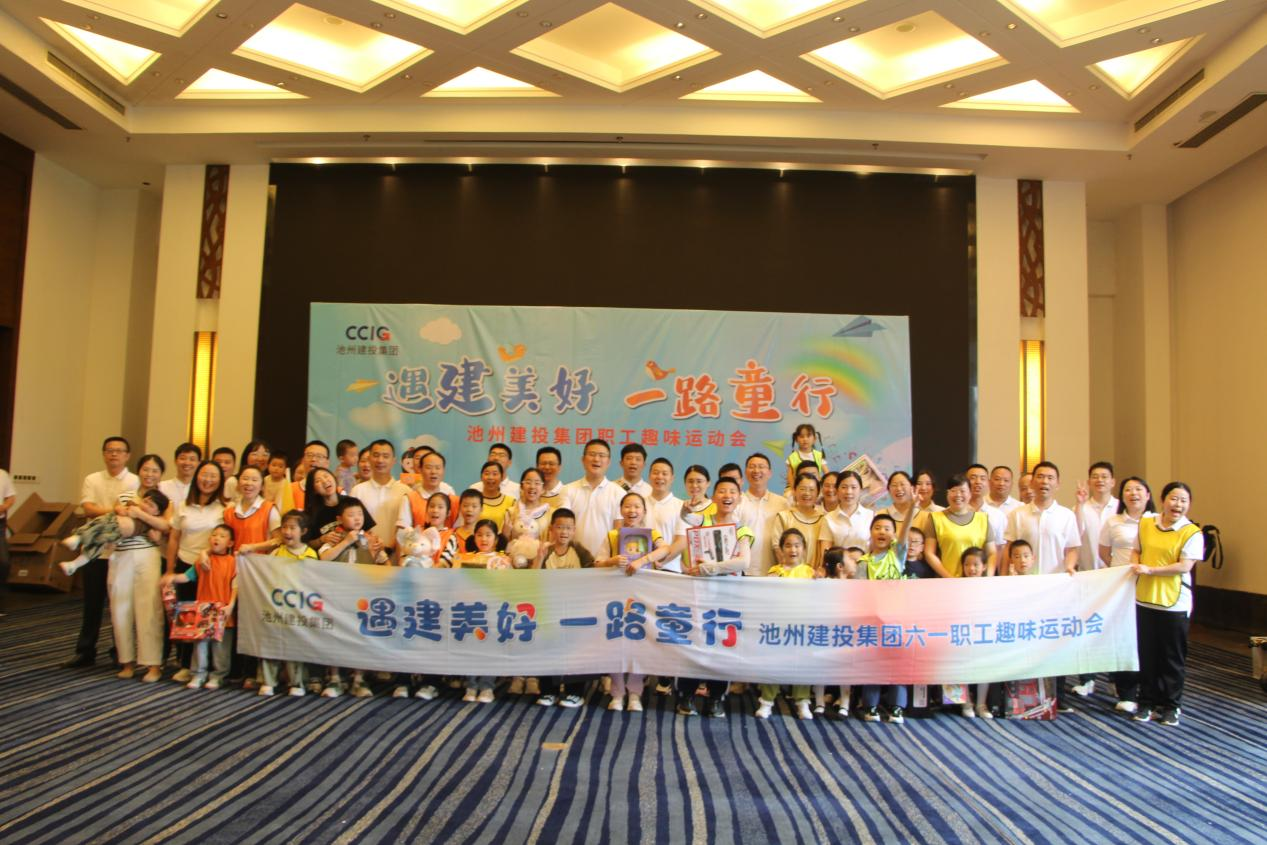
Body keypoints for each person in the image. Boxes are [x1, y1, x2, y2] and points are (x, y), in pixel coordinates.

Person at [675, 477, 753, 717]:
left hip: (728, 596)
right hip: (700, 594)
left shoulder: (743, 529)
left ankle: (716, 697)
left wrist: (709, 567)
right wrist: (685, 507)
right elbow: (686, 516)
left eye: (732, 491)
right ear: (714, 496)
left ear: (739, 498)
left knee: (723, 645)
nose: (727, 495)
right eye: (722, 491)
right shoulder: (704, 520)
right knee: (694, 641)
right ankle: (686, 695)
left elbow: (743, 562)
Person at [1129, 482, 1204, 727]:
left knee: (1172, 657)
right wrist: (1136, 564)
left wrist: (1150, 570)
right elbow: (1136, 550)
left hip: (1174, 603)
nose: (1178, 505)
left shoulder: (1192, 532)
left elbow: (1184, 566)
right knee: (1147, 655)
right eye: (1174, 498)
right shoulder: (1146, 523)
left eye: (1184, 501)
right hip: (1145, 598)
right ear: (1163, 500)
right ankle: (1146, 702)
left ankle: (1171, 706)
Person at [63, 436, 139, 669]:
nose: (114, 454)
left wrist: (107, 512)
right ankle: (85, 652)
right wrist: (114, 511)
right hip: (95, 552)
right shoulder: (92, 479)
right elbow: (88, 509)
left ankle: (120, 652)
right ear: (104, 454)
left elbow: (128, 512)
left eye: (119, 451)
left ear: (127, 455)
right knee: (92, 604)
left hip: (121, 551)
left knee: (121, 605)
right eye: (109, 450)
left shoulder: (134, 481)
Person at [597, 492, 668, 711]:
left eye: (637, 507)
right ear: (621, 510)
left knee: (640, 642)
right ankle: (617, 693)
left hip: (642, 595)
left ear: (644, 511)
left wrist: (643, 560)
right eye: (628, 506)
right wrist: (611, 561)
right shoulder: (612, 535)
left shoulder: (651, 534)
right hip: (616, 596)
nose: (632, 511)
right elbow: (597, 562)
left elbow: (665, 549)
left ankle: (635, 693)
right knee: (615, 642)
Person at [1098, 476, 1155, 714]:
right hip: (1122, 588)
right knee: (1124, 639)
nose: (1133, 494)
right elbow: (1104, 552)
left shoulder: (1156, 521)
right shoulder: (1114, 521)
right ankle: (1127, 692)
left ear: (1148, 495)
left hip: (1150, 586)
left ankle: (1149, 692)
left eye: (1138, 489)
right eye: (1128, 490)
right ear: (1122, 496)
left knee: (1148, 640)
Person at [163, 524, 237, 690]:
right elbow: (187, 577)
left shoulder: (233, 562)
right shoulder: (202, 561)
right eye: (214, 535)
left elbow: (235, 586)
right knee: (200, 645)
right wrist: (172, 577)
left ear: (230, 543)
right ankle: (198, 673)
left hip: (222, 611)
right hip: (204, 611)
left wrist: (231, 605)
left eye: (222, 536)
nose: (217, 538)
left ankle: (218, 675)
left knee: (221, 647)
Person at [532, 508, 593, 709]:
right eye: (559, 527)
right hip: (550, 609)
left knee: (575, 650)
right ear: (551, 529)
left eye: (568, 528)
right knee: (547, 648)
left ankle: (575, 692)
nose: (564, 532)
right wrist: (539, 557)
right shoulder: (545, 550)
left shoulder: (580, 550)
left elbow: (594, 573)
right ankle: (548, 690)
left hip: (575, 609)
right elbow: (531, 578)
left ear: (574, 530)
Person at [856, 514, 911, 724]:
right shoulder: (863, 563)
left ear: (894, 535)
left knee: (898, 662)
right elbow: (859, 592)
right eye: (877, 527)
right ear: (870, 532)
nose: (882, 532)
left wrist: (912, 507)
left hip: (897, 618)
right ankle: (870, 704)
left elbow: (905, 534)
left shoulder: (897, 555)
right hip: (873, 619)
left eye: (887, 529)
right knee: (873, 662)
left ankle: (897, 706)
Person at [756, 528, 816, 720]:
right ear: (781, 549)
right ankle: (766, 702)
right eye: (788, 545)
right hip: (778, 625)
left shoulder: (810, 572)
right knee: (773, 662)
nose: (793, 550)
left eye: (797, 545)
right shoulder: (774, 571)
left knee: (802, 663)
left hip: (802, 625)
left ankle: (802, 702)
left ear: (804, 548)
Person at [259, 510, 318, 697]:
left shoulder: (310, 554)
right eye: (284, 527)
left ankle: (297, 681)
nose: (287, 532)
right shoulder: (277, 552)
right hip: (277, 606)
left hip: (298, 608)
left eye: (292, 528)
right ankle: (269, 680)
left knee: (295, 644)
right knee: (271, 643)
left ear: (303, 531)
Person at [456, 520, 512, 703]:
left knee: (491, 648)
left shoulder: (503, 560)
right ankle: (471, 685)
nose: (484, 539)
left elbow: (508, 585)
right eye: (479, 535)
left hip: (493, 611)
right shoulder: (464, 558)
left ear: (496, 539)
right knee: (470, 647)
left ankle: (487, 686)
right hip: (470, 610)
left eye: (488, 535)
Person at [924, 474, 995, 578]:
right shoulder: (935, 518)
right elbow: (929, 553)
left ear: (970, 494)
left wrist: (987, 577)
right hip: (947, 581)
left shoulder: (982, 519)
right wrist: (949, 578)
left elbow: (992, 553)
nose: (958, 495)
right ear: (947, 494)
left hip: (976, 581)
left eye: (962, 491)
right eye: (953, 491)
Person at [564, 439, 624, 562]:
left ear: (608, 462)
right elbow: (563, 526)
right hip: (573, 561)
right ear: (583, 459)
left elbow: (618, 531)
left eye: (602, 455)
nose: (596, 459)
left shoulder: (619, 493)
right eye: (592, 454)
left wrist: (610, 560)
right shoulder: (568, 490)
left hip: (606, 563)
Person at [350, 439, 410, 555]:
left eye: (385, 456)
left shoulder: (405, 491)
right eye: (376, 455)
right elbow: (351, 527)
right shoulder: (357, 491)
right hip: (365, 556)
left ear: (393, 461)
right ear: (369, 459)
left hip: (396, 557)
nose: (380, 460)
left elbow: (407, 529)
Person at [736, 453, 787, 577]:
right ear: (746, 472)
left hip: (775, 572)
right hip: (742, 572)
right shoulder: (737, 502)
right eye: (752, 466)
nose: (756, 471)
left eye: (761, 467)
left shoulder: (782, 503)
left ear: (769, 473)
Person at [302, 467, 376, 548]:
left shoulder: (352, 503)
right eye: (318, 481)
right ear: (313, 489)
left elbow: (368, 531)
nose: (325, 481)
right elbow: (307, 544)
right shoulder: (312, 513)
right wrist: (322, 539)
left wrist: (373, 541)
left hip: (357, 552)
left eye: (326, 476)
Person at [771, 472, 828, 570]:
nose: (807, 493)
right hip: (790, 575)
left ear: (818, 493)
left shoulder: (824, 519)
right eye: (802, 489)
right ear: (794, 491)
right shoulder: (783, 517)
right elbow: (777, 547)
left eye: (811, 490)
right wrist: (792, 572)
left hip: (816, 576)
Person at [646, 458, 687, 573]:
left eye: (664, 474)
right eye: (655, 473)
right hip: (641, 568)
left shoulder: (681, 506)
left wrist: (662, 560)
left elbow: (681, 541)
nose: (659, 477)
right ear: (649, 476)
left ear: (672, 478)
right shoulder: (639, 504)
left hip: (669, 568)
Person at [822, 470, 873, 561]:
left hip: (865, 567)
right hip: (839, 568)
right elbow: (825, 554)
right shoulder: (828, 519)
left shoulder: (870, 516)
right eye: (844, 487)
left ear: (860, 490)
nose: (849, 492)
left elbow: (876, 550)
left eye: (853, 487)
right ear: (837, 490)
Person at [319, 501, 388, 565]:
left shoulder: (368, 538)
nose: (357, 518)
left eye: (360, 514)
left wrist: (379, 549)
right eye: (351, 515)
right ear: (340, 519)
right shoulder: (335, 536)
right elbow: (324, 558)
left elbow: (384, 561)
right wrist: (346, 541)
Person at [785, 423, 827, 491]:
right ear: (796, 439)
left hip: (815, 487)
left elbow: (827, 474)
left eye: (808, 436)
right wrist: (794, 489)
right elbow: (789, 476)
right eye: (802, 436)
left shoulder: (819, 455)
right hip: (797, 487)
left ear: (814, 439)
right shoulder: (792, 457)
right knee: (788, 495)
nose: (805, 439)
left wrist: (822, 485)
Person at [475, 461, 516, 531]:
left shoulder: (511, 502)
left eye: (495, 474)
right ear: (481, 477)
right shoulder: (474, 500)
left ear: (502, 477)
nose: (490, 477)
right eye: (487, 474)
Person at [159, 443, 201, 508]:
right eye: (183, 458)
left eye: (192, 459)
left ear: (199, 463)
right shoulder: (161, 487)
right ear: (175, 461)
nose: (187, 463)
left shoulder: (202, 490)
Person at [0, 465, 14, 608]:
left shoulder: (2, 474)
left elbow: (11, 497)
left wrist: (4, 506)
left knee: (3, 562)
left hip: (0, 523)